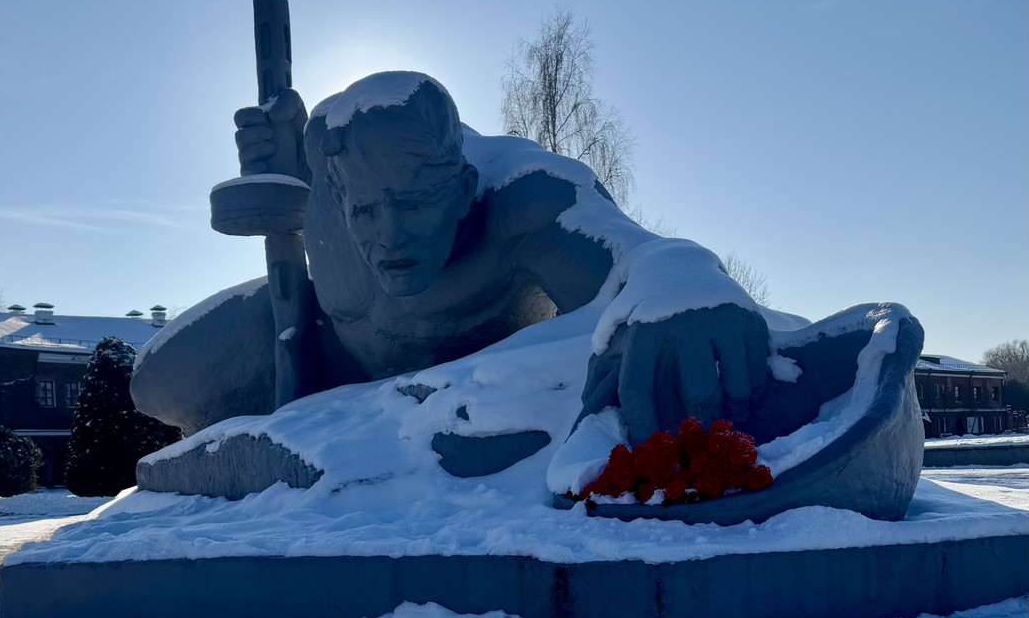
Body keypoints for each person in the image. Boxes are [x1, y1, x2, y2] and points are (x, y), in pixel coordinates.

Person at [132, 72, 773, 441]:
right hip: (318, 370)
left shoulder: (526, 197)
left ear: (462, 188)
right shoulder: (331, 172)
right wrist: (270, 182)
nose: (390, 237)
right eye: (366, 213)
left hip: (455, 411)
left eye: (414, 206)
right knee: (161, 377)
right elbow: (264, 200)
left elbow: (634, 257)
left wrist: (675, 285)